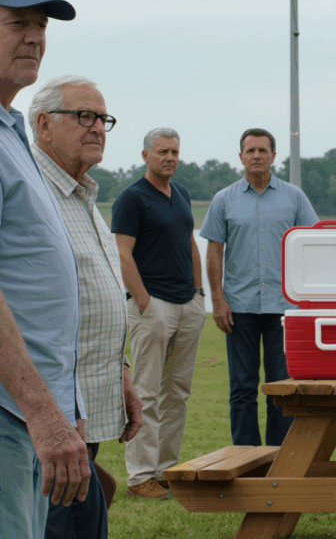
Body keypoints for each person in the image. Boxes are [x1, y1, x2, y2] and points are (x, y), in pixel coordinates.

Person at [30, 76, 143, 535]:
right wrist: (47, 416)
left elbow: (88, 303)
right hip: (46, 425)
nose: (97, 127)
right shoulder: (30, 194)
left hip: (86, 418)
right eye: (83, 116)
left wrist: (121, 374)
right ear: (44, 125)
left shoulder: (82, 195)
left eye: (102, 118)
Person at [0, 0, 92, 538]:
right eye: (18, 23)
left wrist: (64, 403)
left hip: (28, 412)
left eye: (41, 26)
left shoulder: (11, 132)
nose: (35, 37)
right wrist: (41, 411)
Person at [200, 128, 318, 448]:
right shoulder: (224, 199)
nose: (256, 156)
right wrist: (218, 300)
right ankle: (245, 457)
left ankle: (280, 456)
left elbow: (312, 244)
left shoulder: (295, 197)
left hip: (285, 308)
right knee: (242, 387)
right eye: (250, 151)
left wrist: (307, 300)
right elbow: (214, 252)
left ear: (273, 156)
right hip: (239, 307)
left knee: (282, 387)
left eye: (262, 150)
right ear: (241, 157)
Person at [112, 128, 206, 499]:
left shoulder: (180, 193)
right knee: (147, 392)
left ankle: (167, 469)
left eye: (175, 152)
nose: (170, 158)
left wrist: (199, 293)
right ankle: (140, 476)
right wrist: (144, 302)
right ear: (146, 155)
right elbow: (123, 254)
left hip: (188, 304)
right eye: (163, 151)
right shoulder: (132, 198)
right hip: (153, 305)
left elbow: (190, 244)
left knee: (178, 393)